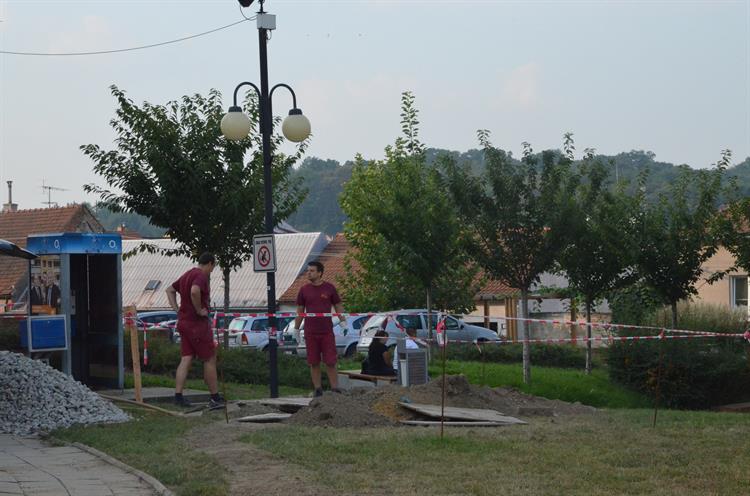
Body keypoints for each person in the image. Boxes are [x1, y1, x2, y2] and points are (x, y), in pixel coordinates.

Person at [165, 252, 224, 408]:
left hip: (183, 322)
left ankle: (178, 396)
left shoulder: (187, 275)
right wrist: (199, 310)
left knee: (186, 358)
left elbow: (169, 290)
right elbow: (194, 291)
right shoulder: (200, 276)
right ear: (210, 263)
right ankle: (214, 397)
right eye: (212, 267)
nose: (212, 271)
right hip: (197, 325)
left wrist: (177, 309)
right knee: (209, 358)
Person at [294, 261, 345, 397]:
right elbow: (300, 311)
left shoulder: (329, 288)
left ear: (319, 273)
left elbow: (338, 305)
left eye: (312, 271)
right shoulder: (304, 290)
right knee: (313, 361)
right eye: (308, 271)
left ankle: (335, 389)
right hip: (310, 331)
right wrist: (296, 329)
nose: (308, 273)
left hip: (327, 331)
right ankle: (318, 389)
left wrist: (343, 321)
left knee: (330, 361)